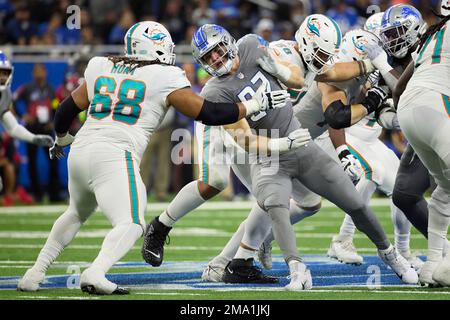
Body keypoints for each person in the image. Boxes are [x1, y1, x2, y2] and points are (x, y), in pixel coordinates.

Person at [143, 18, 418, 291]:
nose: (327, 61)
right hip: (229, 121)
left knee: (309, 201)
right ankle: (167, 229)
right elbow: (245, 132)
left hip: (271, 134)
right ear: (308, 47)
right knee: (216, 182)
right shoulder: (274, 53)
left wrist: (373, 65)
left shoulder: (311, 63)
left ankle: (247, 253)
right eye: (322, 54)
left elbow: (327, 74)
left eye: (330, 55)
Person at [17, 21, 289, 295]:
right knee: (132, 223)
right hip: (114, 154)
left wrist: (63, 139)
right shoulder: (165, 76)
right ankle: (96, 272)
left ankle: (34, 273)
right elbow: (211, 114)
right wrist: (255, 104)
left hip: (80, 151)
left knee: (75, 213)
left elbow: (64, 110)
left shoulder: (101, 65)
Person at [394, 0, 450, 287]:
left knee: (445, 190)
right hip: (436, 102)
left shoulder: (429, 38)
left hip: (408, 110)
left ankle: (432, 266)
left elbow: (399, 88)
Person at [0, 51, 54, 199]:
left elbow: (13, 127)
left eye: (5, 72)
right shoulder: (25, 89)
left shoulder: (4, 94)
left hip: (42, 128)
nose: (3, 77)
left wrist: (33, 138)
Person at [15, 63, 61, 202]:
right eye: (36, 71)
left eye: (41, 71)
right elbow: (13, 100)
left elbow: (56, 107)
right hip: (33, 130)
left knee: (54, 161)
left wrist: (53, 122)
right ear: (33, 73)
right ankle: (37, 194)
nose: (39, 74)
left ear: (45, 72)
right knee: (32, 162)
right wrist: (22, 116)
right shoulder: (27, 89)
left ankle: (54, 194)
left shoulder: (51, 90)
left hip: (47, 130)